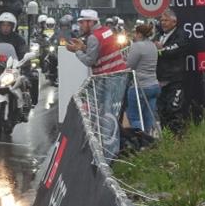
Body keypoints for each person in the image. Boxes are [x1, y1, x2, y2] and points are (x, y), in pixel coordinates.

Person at [66, 8, 127, 159]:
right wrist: (83, 47)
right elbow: (101, 51)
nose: (80, 26)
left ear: (91, 22)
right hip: (118, 76)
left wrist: (77, 51)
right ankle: (111, 150)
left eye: (82, 23)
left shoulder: (94, 37)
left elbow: (89, 60)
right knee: (112, 114)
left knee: (107, 115)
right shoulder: (106, 31)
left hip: (108, 79)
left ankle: (108, 155)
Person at [154, 8, 196, 131]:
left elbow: (172, 51)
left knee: (174, 109)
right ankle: (167, 140)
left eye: (166, 20)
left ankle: (178, 140)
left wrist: (160, 50)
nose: (163, 23)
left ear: (174, 22)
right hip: (160, 80)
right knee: (162, 111)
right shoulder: (158, 35)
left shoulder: (181, 35)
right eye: (161, 20)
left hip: (175, 80)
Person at [124, 22, 160, 137]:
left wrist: (124, 59)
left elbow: (130, 65)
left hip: (140, 86)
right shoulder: (153, 45)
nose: (134, 36)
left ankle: (139, 141)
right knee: (148, 117)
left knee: (134, 116)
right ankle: (148, 141)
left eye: (135, 33)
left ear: (139, 34)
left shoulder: (137, 46)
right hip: (154, 85)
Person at [0, 12, 37, 104]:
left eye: (8, 25)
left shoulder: (19, 39)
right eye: (3, 25)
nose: (5, 28)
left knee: (26, 80)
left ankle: (25, 104)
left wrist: (23, 62)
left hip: (12, 68)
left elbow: (23, 53)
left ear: (12, 26)